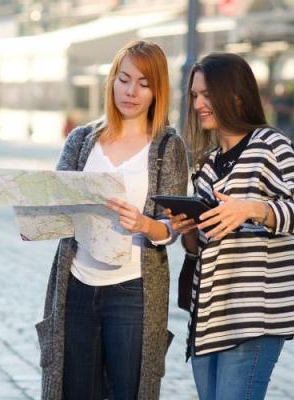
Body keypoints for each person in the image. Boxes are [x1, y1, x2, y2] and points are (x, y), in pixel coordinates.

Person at [36, 40, 188, 400]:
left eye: (144, 83)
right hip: (75, 286)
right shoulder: (81, 140)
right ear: (112, 82)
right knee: (75, 391)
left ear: (157, 91)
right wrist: (40, 205)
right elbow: (55, 211)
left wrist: (143, 224)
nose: (131, 91)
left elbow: (173, 228)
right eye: (124, 79)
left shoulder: (168, 147)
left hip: (133, 290)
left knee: (130, 391)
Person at [167, 53, 294, 400]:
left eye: (207, 95)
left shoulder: (270, 145)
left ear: (235, 95)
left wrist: (250, 209)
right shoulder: (206, 164)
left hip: (252, 320)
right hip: (206, 322)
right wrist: (187, 229)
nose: (199, 104)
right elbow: (200, 247)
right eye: (194, 96)